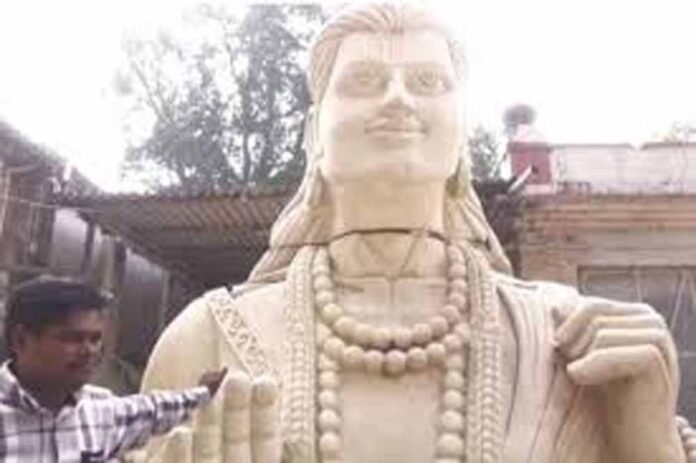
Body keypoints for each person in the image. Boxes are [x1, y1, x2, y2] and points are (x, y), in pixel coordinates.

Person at [139, 2, 695, 462]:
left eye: (428, 82)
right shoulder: (209, 338)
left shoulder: (565, 341)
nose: (398, 97)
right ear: (313, 136)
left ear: (461, 134)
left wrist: (648, 443)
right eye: (364, 80)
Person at [0, 276, 227, 462]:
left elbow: (154, 409)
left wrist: (204, 392)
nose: (89, 351)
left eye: (95, 339)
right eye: (72, 338)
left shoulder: (101, 410)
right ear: (22, 340)